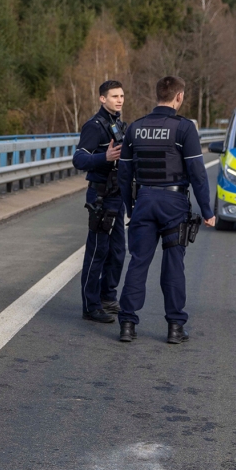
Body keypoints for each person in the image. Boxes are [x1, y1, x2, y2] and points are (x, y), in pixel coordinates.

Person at [116, 76, 214, 344]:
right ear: (179, 97)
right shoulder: (184, 129)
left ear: (157, 94)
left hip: (144, 201)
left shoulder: (135, 128)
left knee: (138, 262)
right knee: (173, 265)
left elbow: (124, 174)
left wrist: (130, 206)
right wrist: (207, 211)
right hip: (173, 204)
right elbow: (197, 173)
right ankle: (174, 327)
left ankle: (127, 324)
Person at [73, 80, 127, 323]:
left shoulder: (119, 124)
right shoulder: (94, 126)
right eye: (114, 96)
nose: (119, 100)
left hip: (118, 195)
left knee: (117, 252)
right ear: (102, 99)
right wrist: (103, 157)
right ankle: (91, 305)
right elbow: (79, 159)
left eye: (122, 96)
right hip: (101, 196)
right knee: (97, 252)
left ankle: (107, 297)